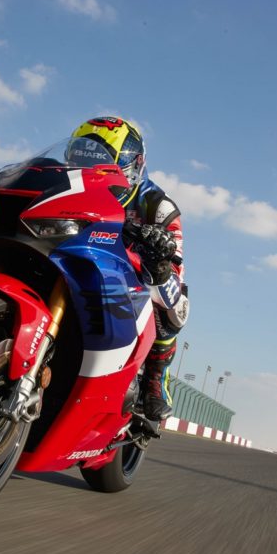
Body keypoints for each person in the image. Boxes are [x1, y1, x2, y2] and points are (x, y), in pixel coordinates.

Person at [70, 117, 189, 422]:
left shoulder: (158, 206)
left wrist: (158, 257)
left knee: (174, 303)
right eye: (84, 161)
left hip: (131, 278)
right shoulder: (67, 185)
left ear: (134, 165)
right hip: (78, 260)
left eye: (107, 165)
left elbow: (175, 272)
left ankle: (155, 379)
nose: (95, 172)